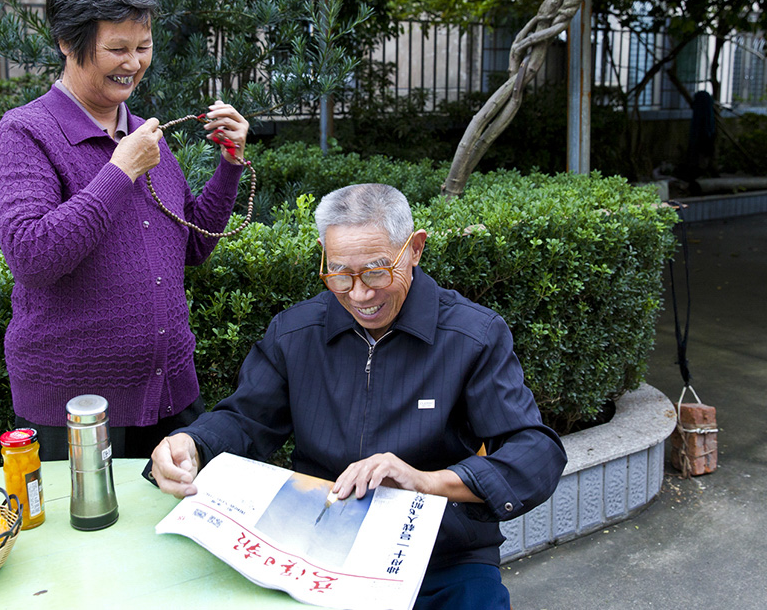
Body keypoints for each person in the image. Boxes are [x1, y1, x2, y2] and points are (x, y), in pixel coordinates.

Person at [148, 183, 566, 609]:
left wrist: (426, 482)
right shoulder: (296, 333)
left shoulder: (473, 336)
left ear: (415, 249)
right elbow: (245, 419)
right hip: (317, 548)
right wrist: (193, 443)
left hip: (443, 557)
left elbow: (535, 452)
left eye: (377, 271)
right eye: (341, 274)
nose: (361, 294)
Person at [0, 0, 249, 461]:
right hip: (74, 409)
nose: (133, 63)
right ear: (68, 42)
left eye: (143, 47)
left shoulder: (141, 134)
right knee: (87, 539)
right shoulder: (26, 132)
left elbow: (194, 244)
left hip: (169, 392)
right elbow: (32, 257)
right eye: (117, 49)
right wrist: (119, 172)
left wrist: (230, 165)